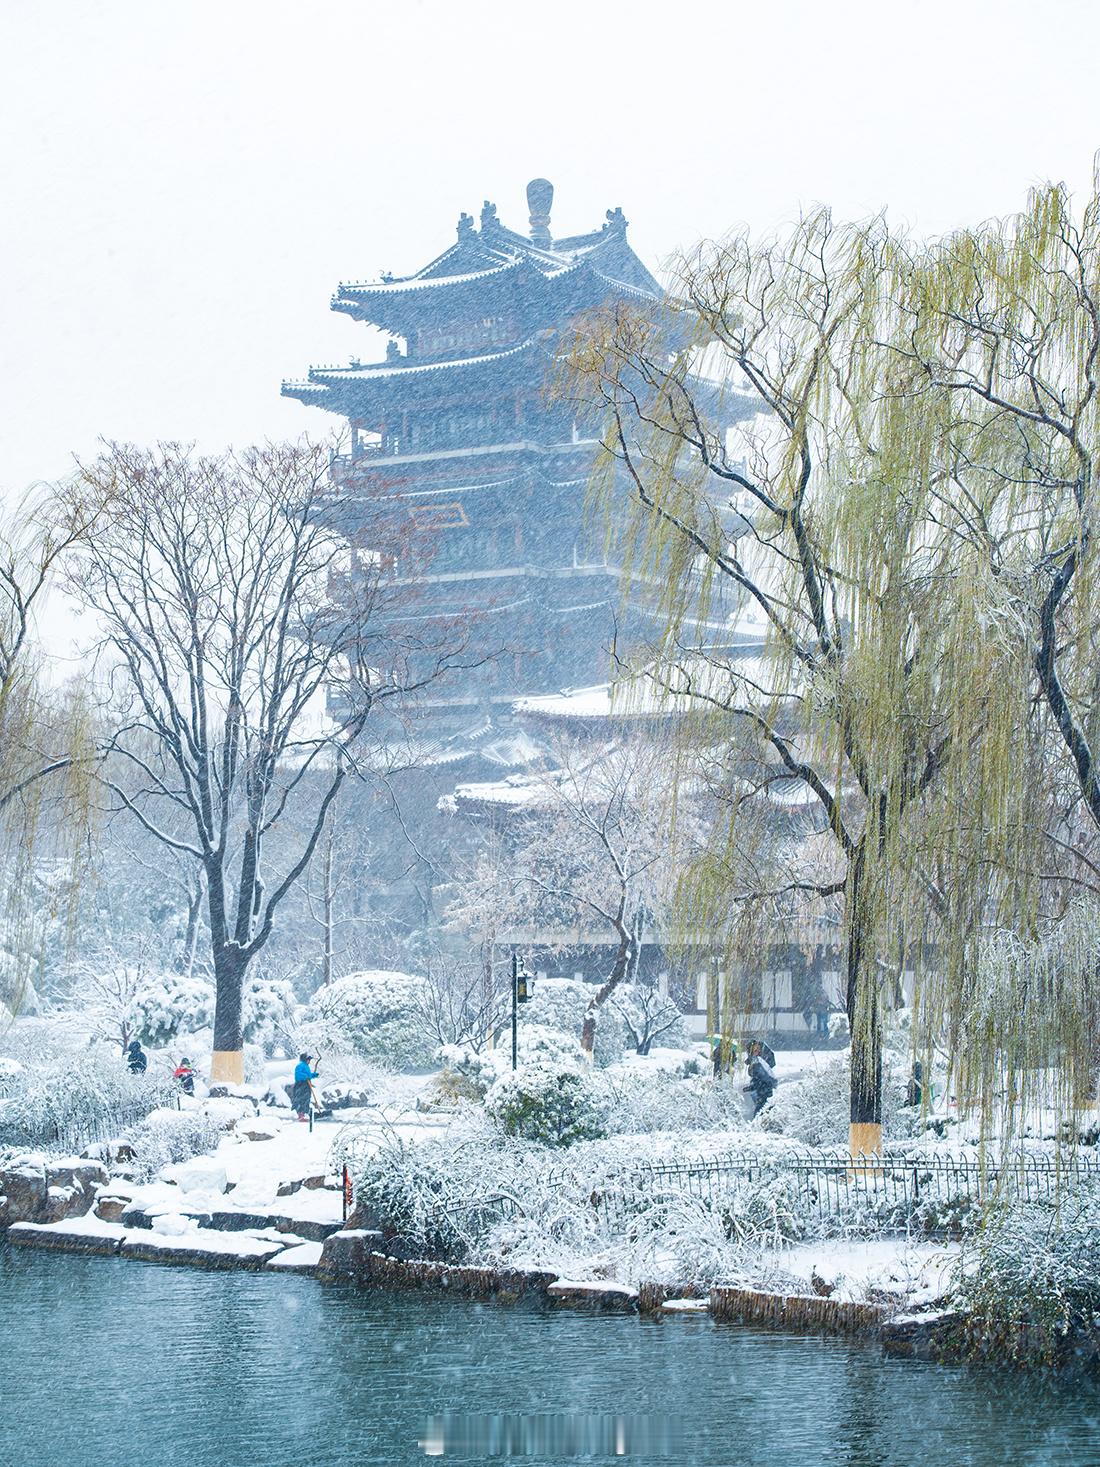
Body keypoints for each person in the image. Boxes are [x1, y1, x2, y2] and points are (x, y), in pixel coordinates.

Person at [744, 1040, 778, 1117]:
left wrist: (752, 1087)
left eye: (757, 1049)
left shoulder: (758, 1063)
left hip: (764, 1092)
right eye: (755, 1050)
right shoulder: (758, 1061)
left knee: (760, 1114)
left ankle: (757, 1127)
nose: (758, 1051)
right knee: (765, 1112)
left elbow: (763, 1079)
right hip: (764, 1091)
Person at [292, 1053, 320, 1121]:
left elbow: (308, 1075)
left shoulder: (305, 1066)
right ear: (305, 1059)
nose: (309, 1061)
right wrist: (307, 1076)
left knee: (306, 1100)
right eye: (308, 1060)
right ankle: (300, 1115)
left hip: (306, 1085)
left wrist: (313, 1075)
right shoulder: (300, 1065)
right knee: (301, 1100)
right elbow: (298, 1074)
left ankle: (303, 1115)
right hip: (301, 1085)